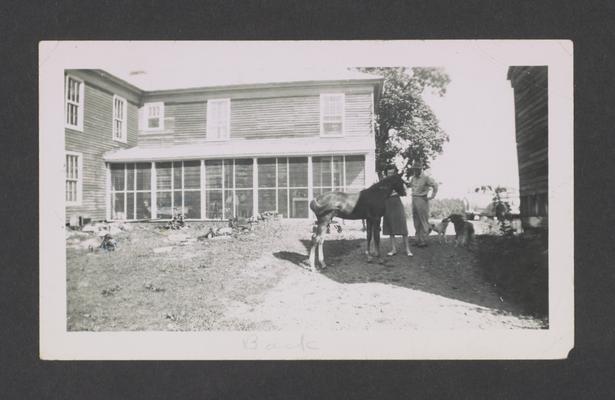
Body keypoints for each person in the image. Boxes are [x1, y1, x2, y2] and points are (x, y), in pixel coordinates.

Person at [382, 166, 413, 257]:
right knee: (390, 226)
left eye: (392, 173)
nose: (390, 175)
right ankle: (393, 249)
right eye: (389, 173)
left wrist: (399, 190)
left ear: (395, 173)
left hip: (397, 203)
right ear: (386, 174)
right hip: (387, 204)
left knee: (402, 225)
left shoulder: (398, 181)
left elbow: (404, 193)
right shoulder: (384, 182)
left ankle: (407, 249)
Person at [408, 160, 439, 247]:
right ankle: (417, 239)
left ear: (421, 169)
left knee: (423, 220)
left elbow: (435, 185)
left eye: (417, 169)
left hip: (422, 199)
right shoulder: (413, 178)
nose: (415, 171)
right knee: (416, 220)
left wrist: (432, 196)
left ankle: (424, 240)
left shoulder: (426, 178)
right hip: (414, 199)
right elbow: (410, 186)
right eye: (414, 169)